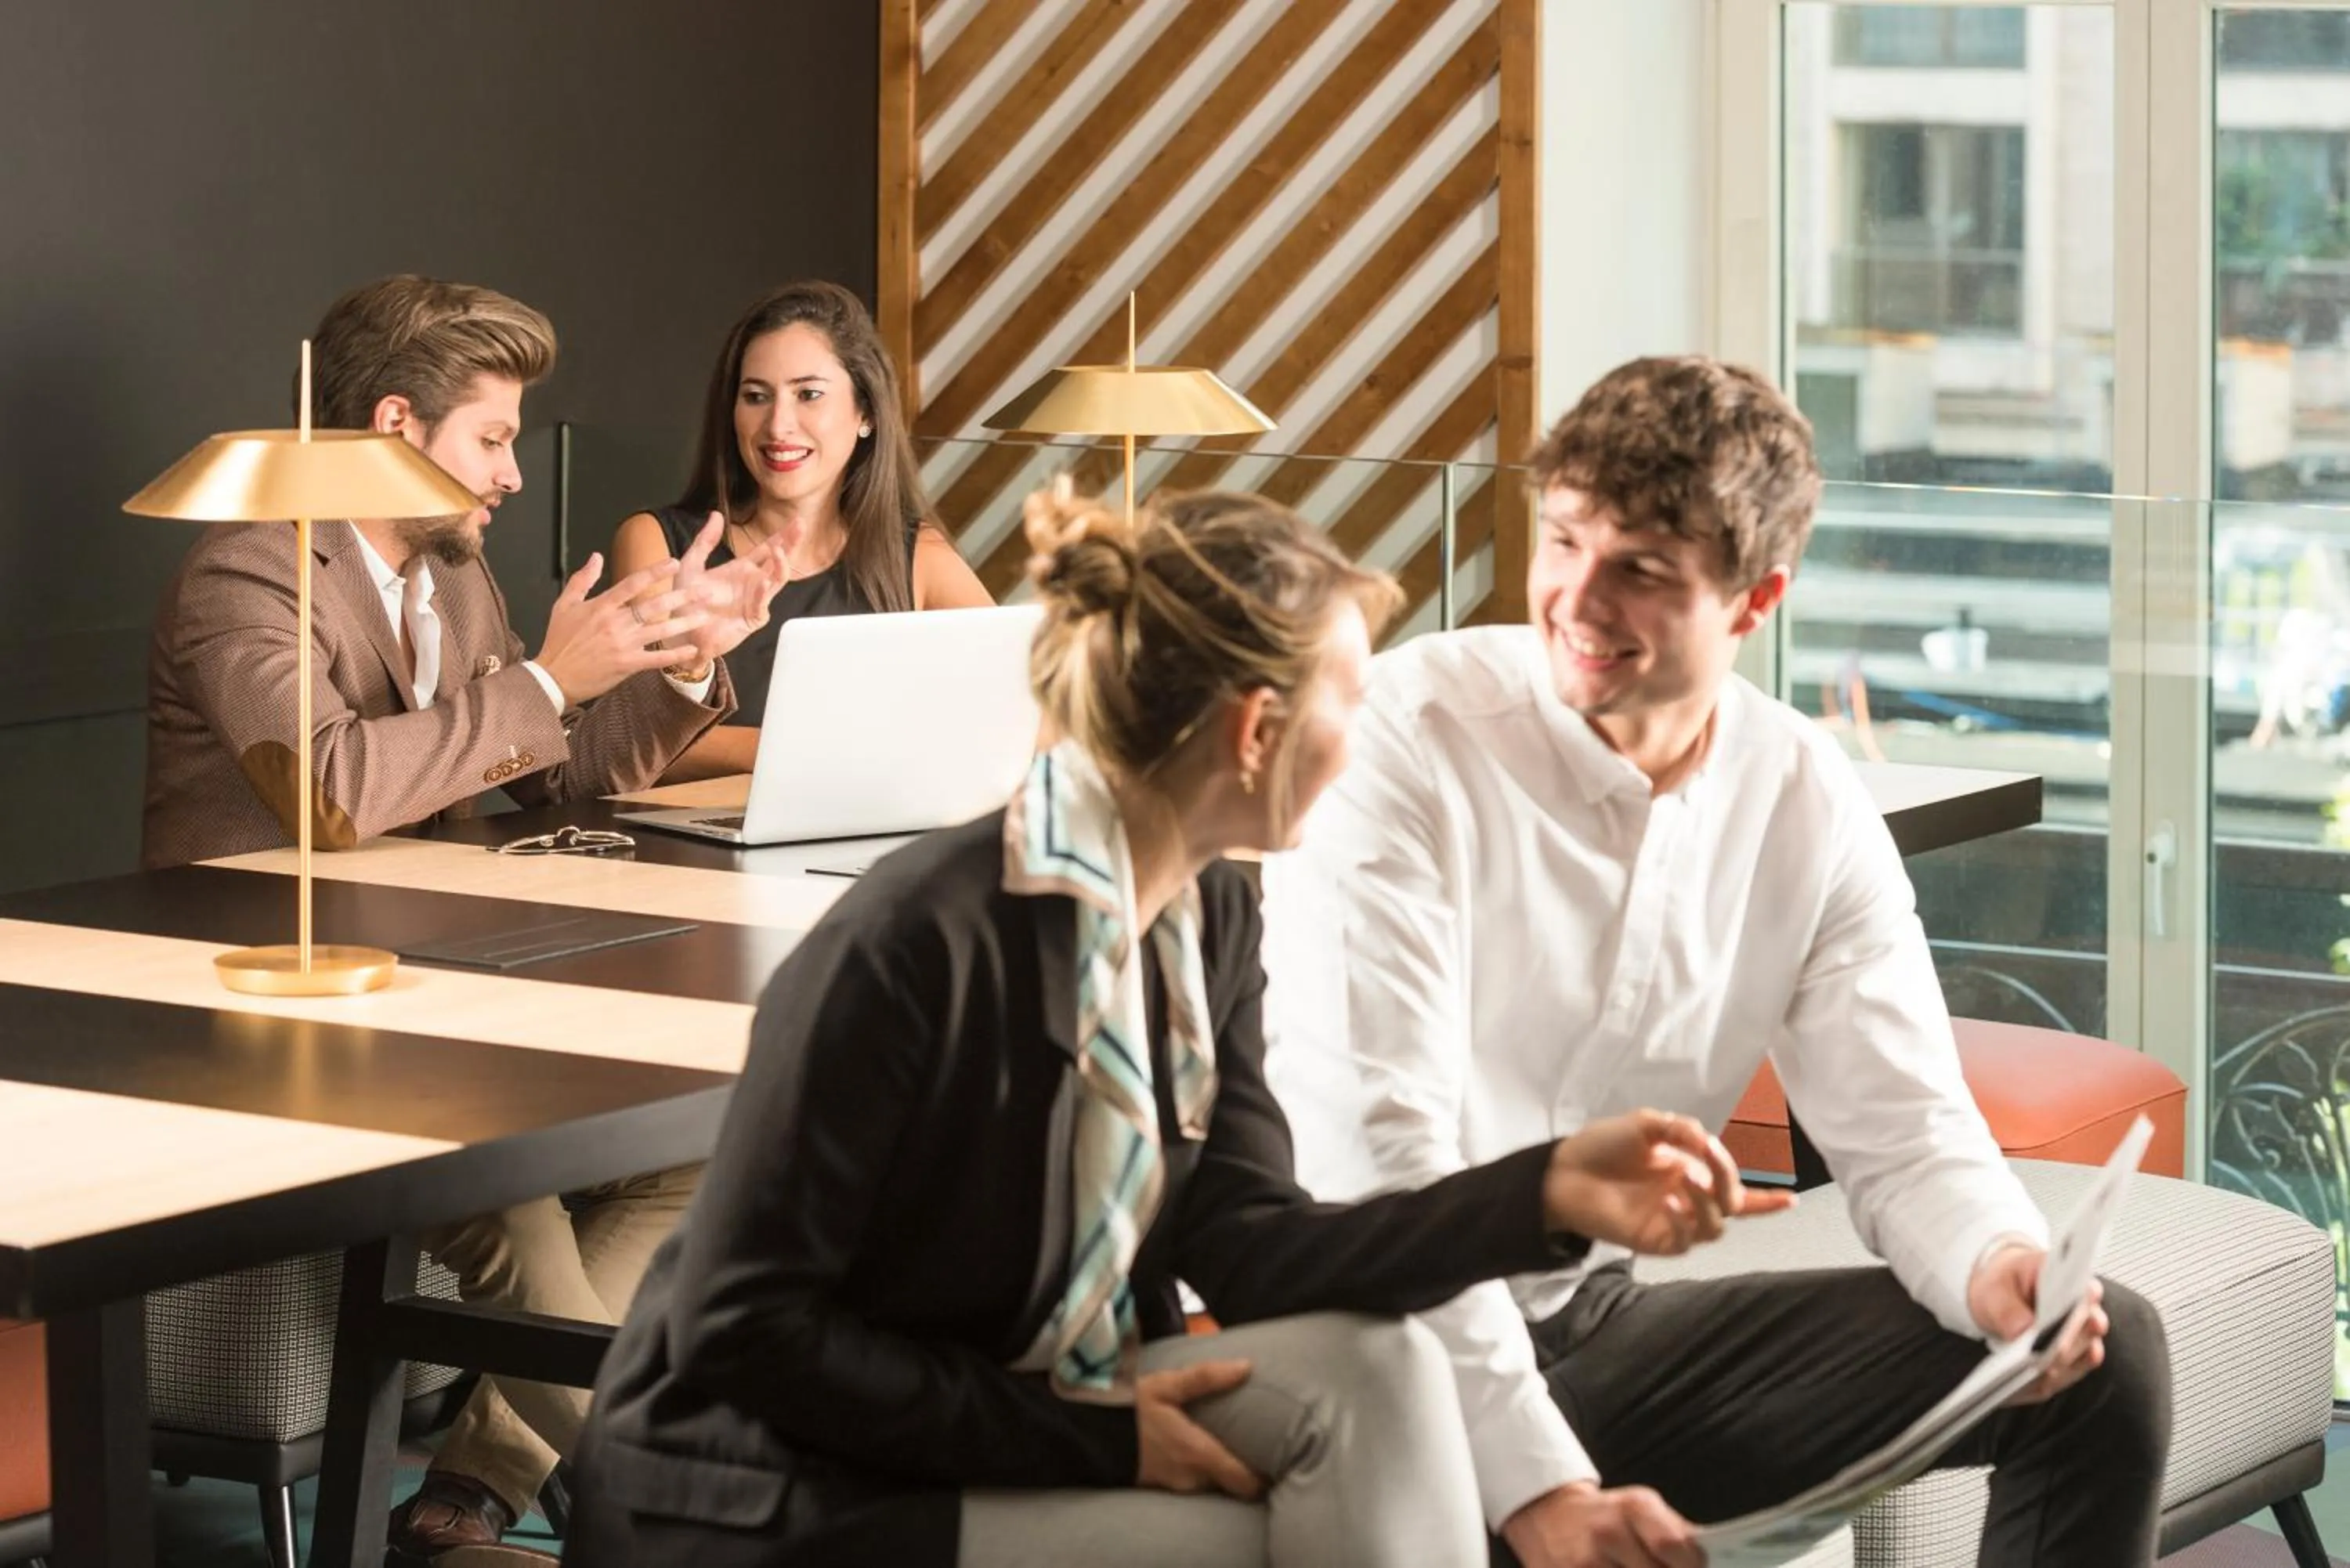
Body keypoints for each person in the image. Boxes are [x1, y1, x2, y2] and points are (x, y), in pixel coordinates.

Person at [562, 481, 1791, 1568]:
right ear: (1255, 730)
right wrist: (1089, 1438)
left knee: (1388, 1368)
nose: (1364, 749)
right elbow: (749, 1334)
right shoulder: (916, 943)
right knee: (1262, 1532)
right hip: (756, 1492)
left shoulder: (1208, 911)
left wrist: (1549, 1193)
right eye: (1349, 706)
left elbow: (1250, 1241)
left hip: (990, 1394)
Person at [1258, 356, 2173, 1568]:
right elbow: (1387, 1170)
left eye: (1641, 570)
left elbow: (1905, 1135)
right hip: (1361, 1348)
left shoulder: (1801, 798)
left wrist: (2000, 1266)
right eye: (1565, 540)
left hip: (1585, 1325)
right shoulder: (1402, 742)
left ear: (1754, 598)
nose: (1578, 600)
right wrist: (1543, 1494)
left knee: (2102, 1368)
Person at [140, 274, 790, 1561]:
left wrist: (680, 665)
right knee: (514, 1199)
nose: (508, 473)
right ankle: (673, 1508)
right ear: (395, 425)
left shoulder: (456, 575)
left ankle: (470, 1496)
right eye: (492, 437)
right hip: (270, 999)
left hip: (449, 976)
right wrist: (555, 673)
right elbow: (330, 789)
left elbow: (555, 774)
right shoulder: (249, 567)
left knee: (710, 1137)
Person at [609, 280, 992, 782]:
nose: (777, 425)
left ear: (866, 413)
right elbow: (636, 741)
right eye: (755, 397)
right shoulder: (656, 543)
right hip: (683, 850)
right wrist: (830, 753)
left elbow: (1018, 711)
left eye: (808, 394)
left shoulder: (922, 555)